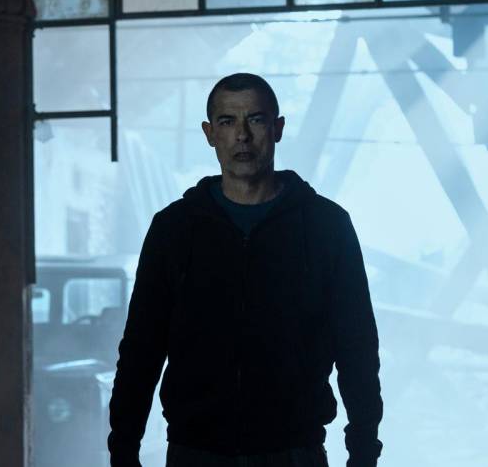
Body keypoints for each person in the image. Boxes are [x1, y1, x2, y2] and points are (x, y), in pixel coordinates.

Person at [107, 73, 383, 467]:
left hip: (293, 451)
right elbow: (141, 347)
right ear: (210, 134)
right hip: (196, 452)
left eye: (255, 119)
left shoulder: (326, 225)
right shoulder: (175, 228)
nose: (242, 136)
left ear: (277, 129)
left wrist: (364, 451)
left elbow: (356, 346)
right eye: (227, 121)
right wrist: (123, 449)